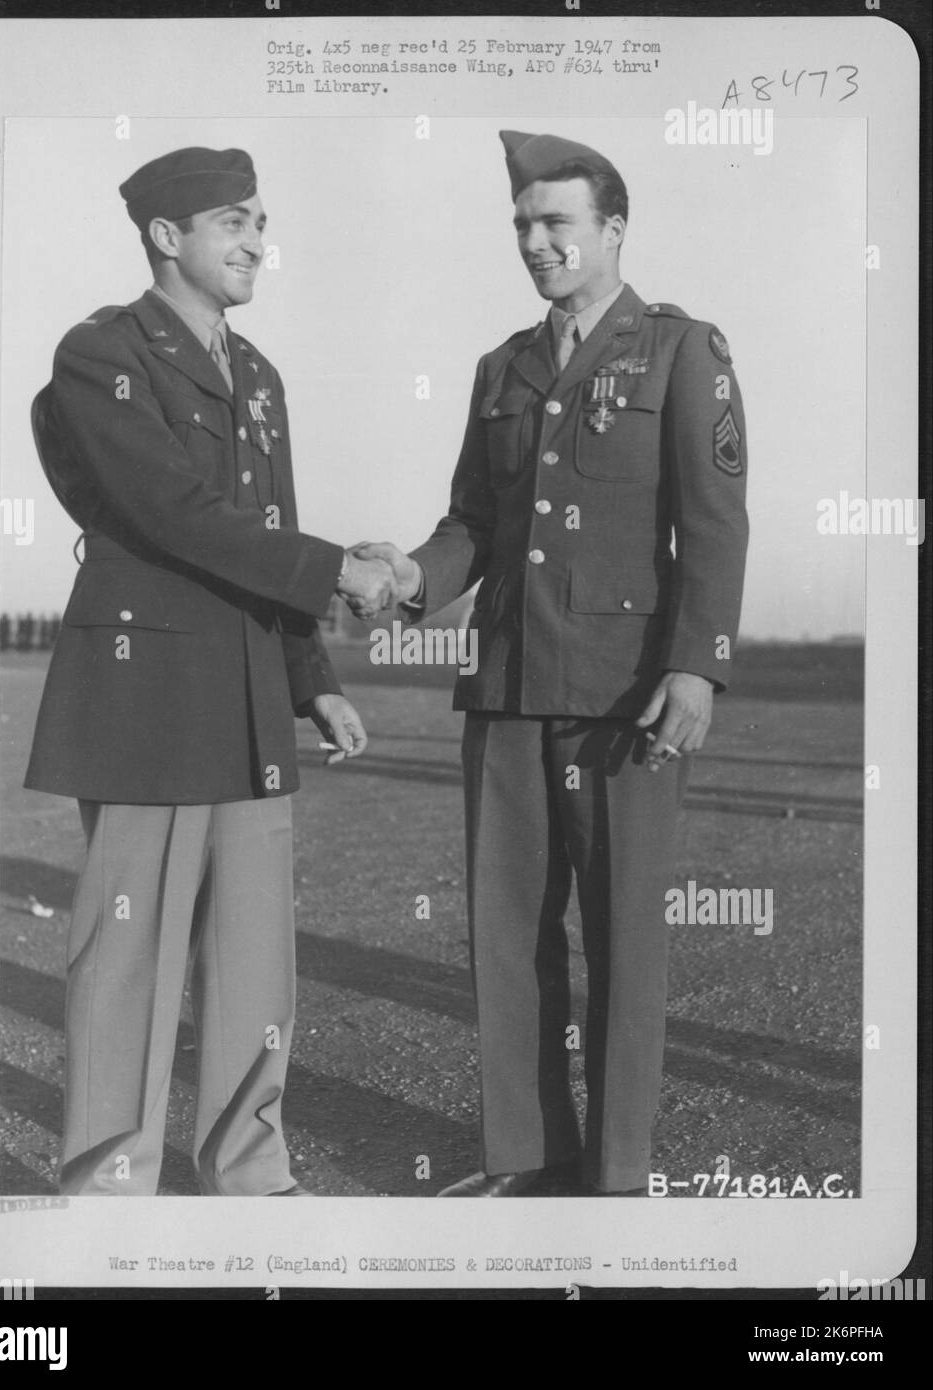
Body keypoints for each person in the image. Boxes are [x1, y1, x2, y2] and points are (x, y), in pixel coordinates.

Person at [351, 130, 750, 1196]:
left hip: (629, 695)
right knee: (507, 938)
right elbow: (472, 524)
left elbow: (713, 525)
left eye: (556, 222)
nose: (536, 242)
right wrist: (406, 581)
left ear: (611, 231)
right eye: (523, 224)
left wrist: (698, 667)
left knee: (624, 945)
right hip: (511, 687)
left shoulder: (681, 350)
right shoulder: (504, 368)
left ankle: (616, 1178)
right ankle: (528, 1162)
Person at [25, 146, 393, 1195]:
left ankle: (248, 1168)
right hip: (147, 698)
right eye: (234, 221)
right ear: (166, 235)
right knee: (127, 959)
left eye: (261, 221)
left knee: (253, 965)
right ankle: (109, 1178)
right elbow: (172, 514)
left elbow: (256, 533)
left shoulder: (260, 375)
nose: (256, 242)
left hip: (246, 698)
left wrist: (310, 675)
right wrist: (339, 571)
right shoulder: (102, 354)